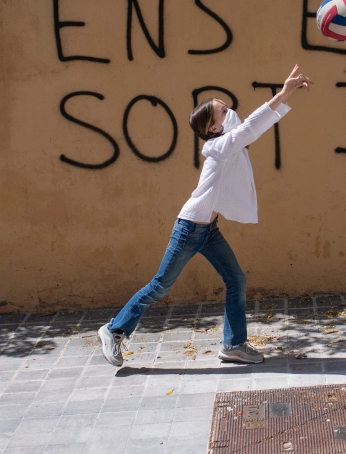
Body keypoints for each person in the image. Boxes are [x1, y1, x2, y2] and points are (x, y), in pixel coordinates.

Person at [98, 65, 313, 366]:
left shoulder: (228, 145)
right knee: (161, 285)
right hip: (189, 229)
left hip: (208, 229)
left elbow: (247, 129)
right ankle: (113, 329)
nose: (231, 110)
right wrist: (283, 93)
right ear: (213, 127)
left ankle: (234, 345)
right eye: (224, 111)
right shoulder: (220, 146)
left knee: (236, 279)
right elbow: (251, 126)